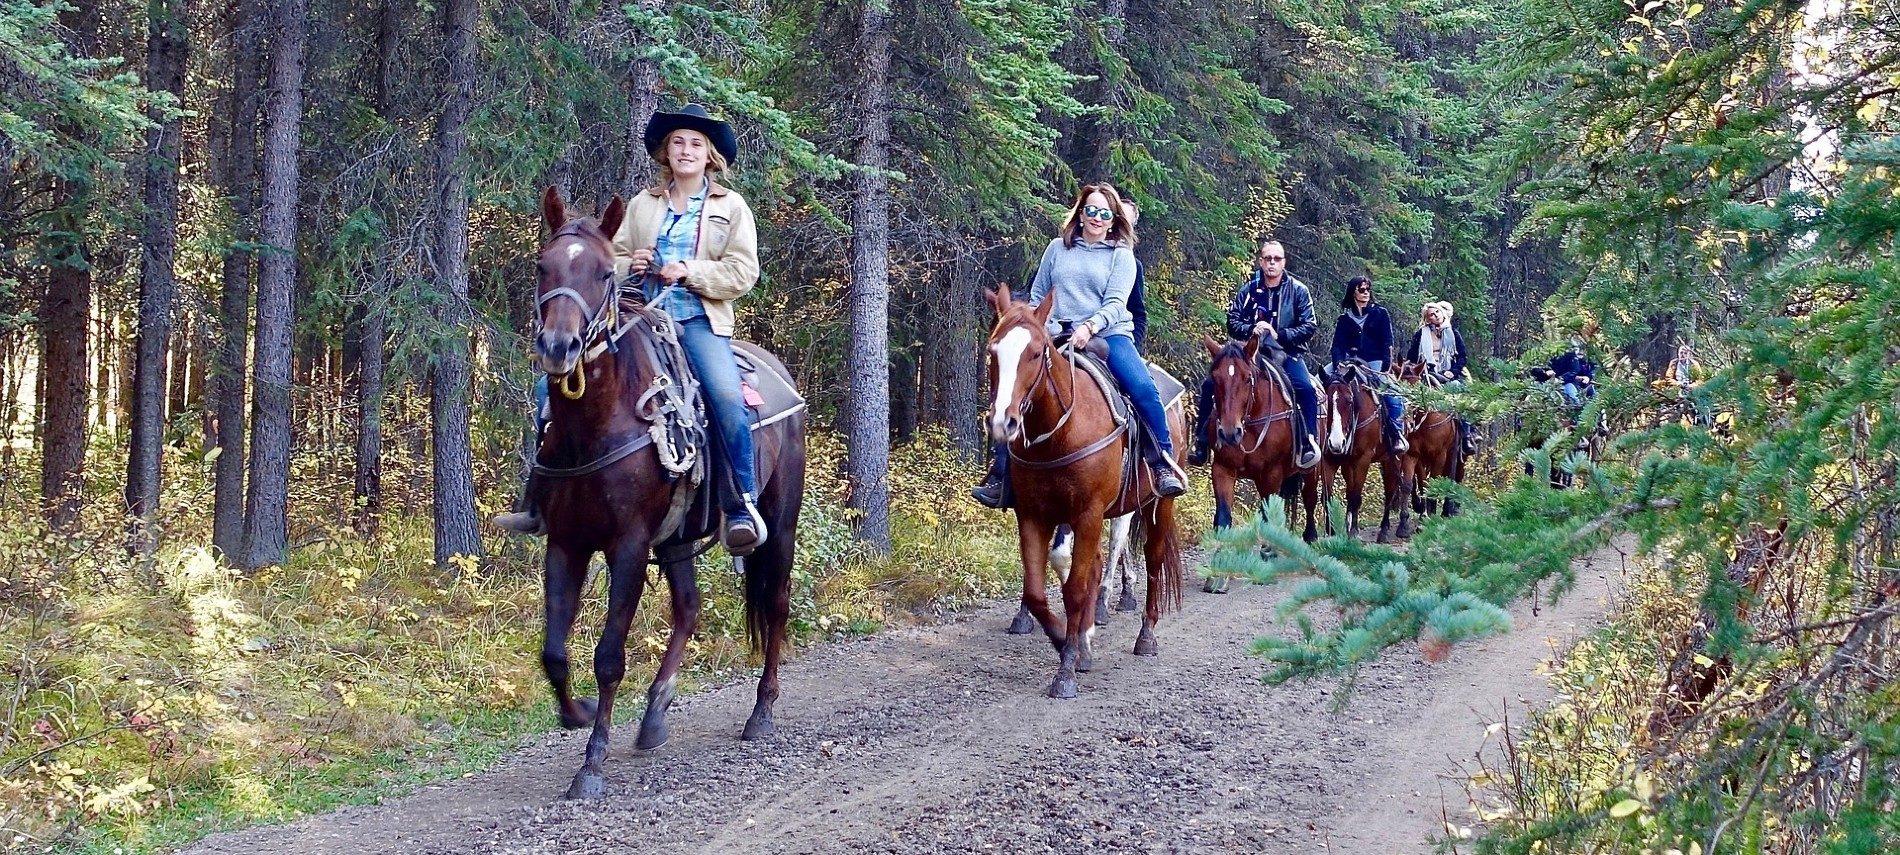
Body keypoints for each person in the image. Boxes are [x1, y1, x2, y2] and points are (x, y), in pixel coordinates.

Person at [492, 103, 767, 557]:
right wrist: (629, 264)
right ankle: (539, 497)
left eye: (695, 144)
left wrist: (688, 270)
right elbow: (605, 261)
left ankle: (740, 505)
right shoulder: (643, 205)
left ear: (710, 156)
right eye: (678, 142)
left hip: (699, 321)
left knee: (725, 398)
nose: (685, 150)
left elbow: (743, 271)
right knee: (549, 389)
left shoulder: (730, 208)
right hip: (639, 318)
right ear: (665, 152)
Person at [971, 182, 1187, 508]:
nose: (1097, 218)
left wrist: (1090, 326)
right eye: (1091, 211)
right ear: (1080, 213)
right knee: (1015, 388)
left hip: (1108, 334)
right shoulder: (1057, 248)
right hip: (1056, 333)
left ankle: (1162, 462)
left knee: (1142, 386)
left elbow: (1116, 303)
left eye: (1105, 213)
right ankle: (1002, 475)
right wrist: (1036, 326)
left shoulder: (1122, 256)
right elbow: (1038, 294)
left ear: (1114, 219)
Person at [1188, 238, 1322, 469]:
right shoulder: (1248, 290)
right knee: (1211, 384)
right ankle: (1201, 442)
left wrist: (1279, 333)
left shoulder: (1298, 291)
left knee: (1305, 388)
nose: (1272, 263)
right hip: (1248, 354)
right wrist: (1252, 329)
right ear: (1261, 261)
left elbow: (1309, 325)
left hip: (1286, 352)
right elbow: (1232, 321)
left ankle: (1307, 441)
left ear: (1284, 262)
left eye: (1276, 259)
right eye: (1267, 258)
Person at [1328, 276, 1408, 455]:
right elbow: (1337, 346)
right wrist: (1339, 362)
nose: (1365, 293)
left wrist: (1386, 366)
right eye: (1361, 289)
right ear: (1353, 292)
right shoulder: (1344, 319)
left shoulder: (1380, 313)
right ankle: (1317, 433)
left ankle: (1396, 434)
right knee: (1320, 383)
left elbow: (1387, 342)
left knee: (1392, 392)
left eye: (1367, 289)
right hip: (1348, 362)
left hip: (1374, 362)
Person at [1405, 301, 1478, 456]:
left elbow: (1462, 357)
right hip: (1426, 373)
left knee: (1461, 391)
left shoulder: (1453, 333)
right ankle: (1402, 432)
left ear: (1442, 313)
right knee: (1409, 395)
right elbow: (1411, 356)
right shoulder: (1420, 334)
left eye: (1437, 312)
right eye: (1431, 314)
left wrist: (1453, 371)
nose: (1435, 315)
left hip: (1448, 374)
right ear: (1427, 319)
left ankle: (1467, 434)